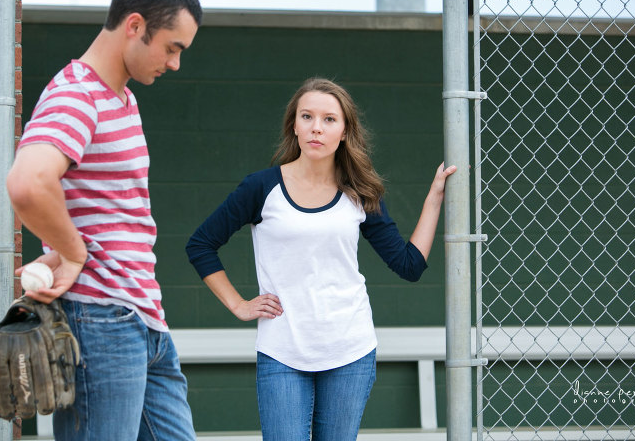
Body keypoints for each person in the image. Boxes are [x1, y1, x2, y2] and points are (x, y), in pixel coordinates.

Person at [186, 77, 456, 441]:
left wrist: (434, 197)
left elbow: (408, 265)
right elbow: (201, 244)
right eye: (307, 116)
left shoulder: (359, 193)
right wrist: (237, 304)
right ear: (294, 126)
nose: (317, 127)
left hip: (350, 350)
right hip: (282, 351)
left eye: (329, 119)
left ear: (344, 131)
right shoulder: (261, 188)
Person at [6, 0, 202, 441]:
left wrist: (66, 242)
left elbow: (99, 206)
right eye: (171, 47)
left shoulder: (122, 100)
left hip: (144, 320)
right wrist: (73, 252)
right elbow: (28, 182)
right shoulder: (77, 94)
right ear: (135, 26)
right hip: (102, 322)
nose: (175, 63)